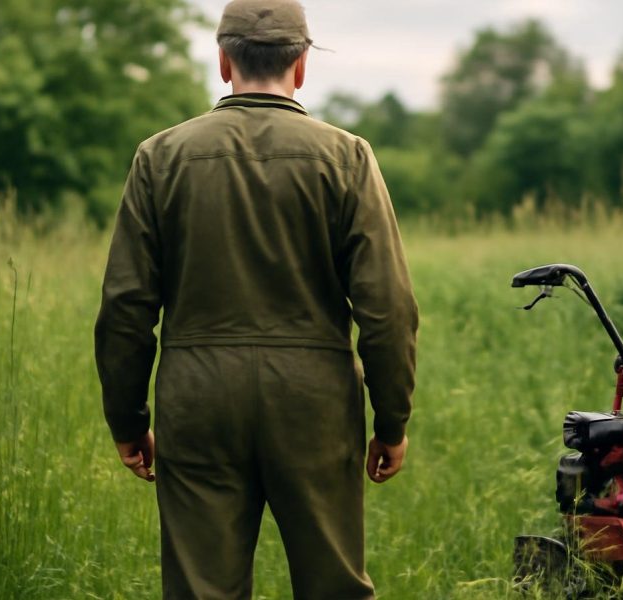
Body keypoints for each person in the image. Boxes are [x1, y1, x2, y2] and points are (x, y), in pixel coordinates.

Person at [93, 0, 419, 598]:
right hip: (314, 401)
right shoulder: (348, 158)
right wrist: (392, 419)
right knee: (333, 588)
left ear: (223, 61)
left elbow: (125, 306)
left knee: (202, 590)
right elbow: (387, 307)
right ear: (300, 66)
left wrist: (127, 418)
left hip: (197, 398)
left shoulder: (159, 158)